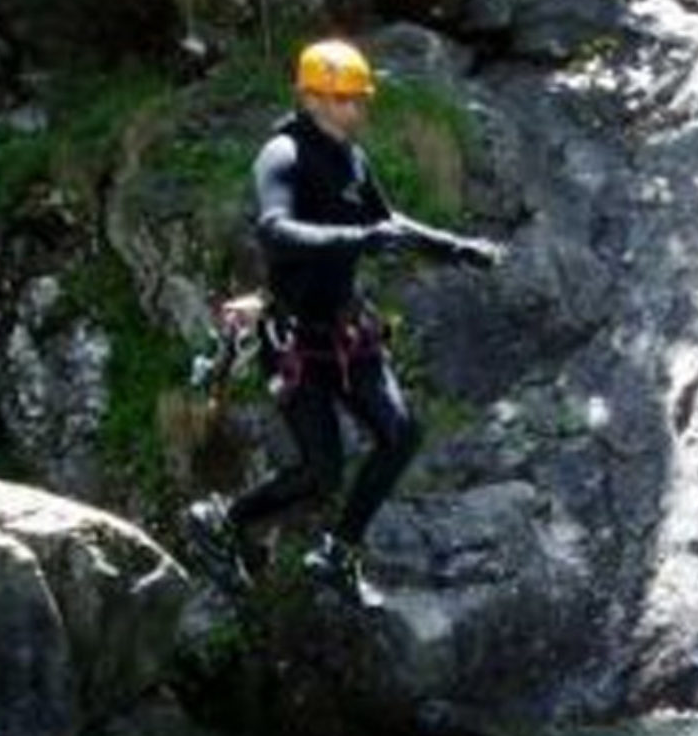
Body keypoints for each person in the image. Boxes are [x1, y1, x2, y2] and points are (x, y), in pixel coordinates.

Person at [182, 38, 503, 606]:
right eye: (344, 99)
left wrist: (458, 248)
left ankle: (338, 553)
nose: (356, 109)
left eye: (360, 99)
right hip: (293, 342)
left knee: (400, 435)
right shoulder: (282, 154)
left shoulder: (352, 158)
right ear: (311, 98)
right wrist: (358, 238)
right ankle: (222, 521)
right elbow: (275, 230)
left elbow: (387, 222)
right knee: (320, 473)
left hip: (347, 333)